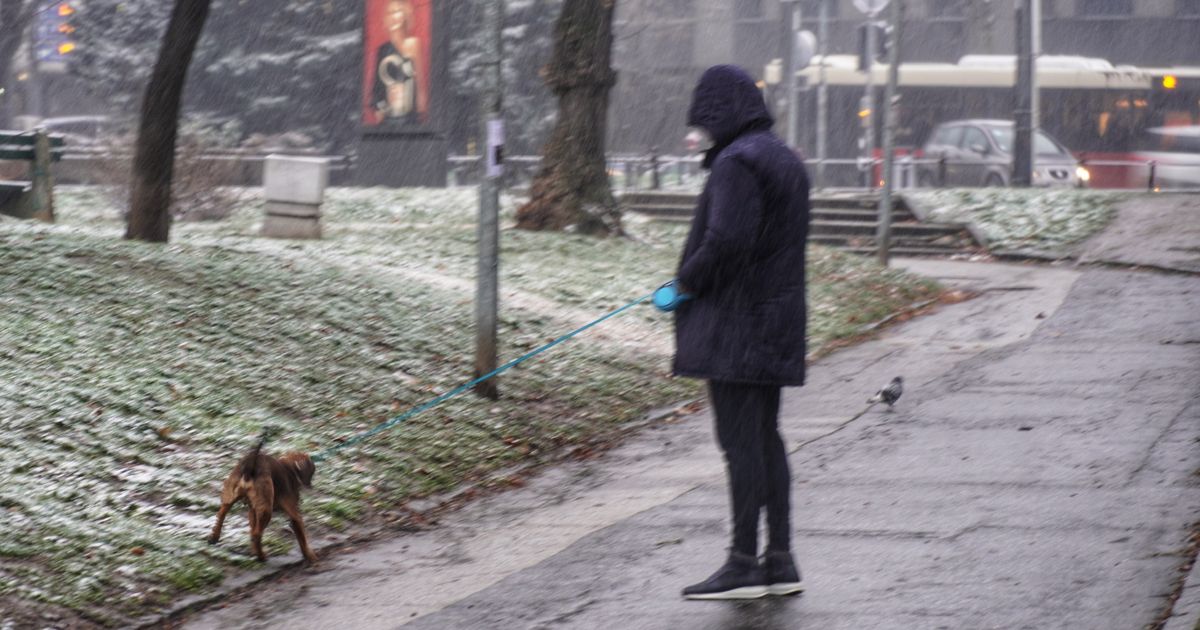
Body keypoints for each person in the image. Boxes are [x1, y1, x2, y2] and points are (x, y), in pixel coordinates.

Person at [668, 65, 810, 600]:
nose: (700, 129)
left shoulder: (736, 162)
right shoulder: (783, 159)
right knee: (766, 437)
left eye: (705, 115)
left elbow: (726, 242)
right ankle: (780, 558)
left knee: (739, 442)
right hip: (775, 320)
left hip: (736, 325)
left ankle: (742, 561)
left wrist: (683, 284)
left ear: (721, 110)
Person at [372, 0, 422, 124]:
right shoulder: (383, 50)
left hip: (410, 115)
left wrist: (421, 113)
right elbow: (377, 88)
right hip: (389, 116)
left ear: (405, 15)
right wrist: (381, 109)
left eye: (398, 11)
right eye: (390, 13)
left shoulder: (413, 44)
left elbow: (420, 85)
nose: (394, 16)